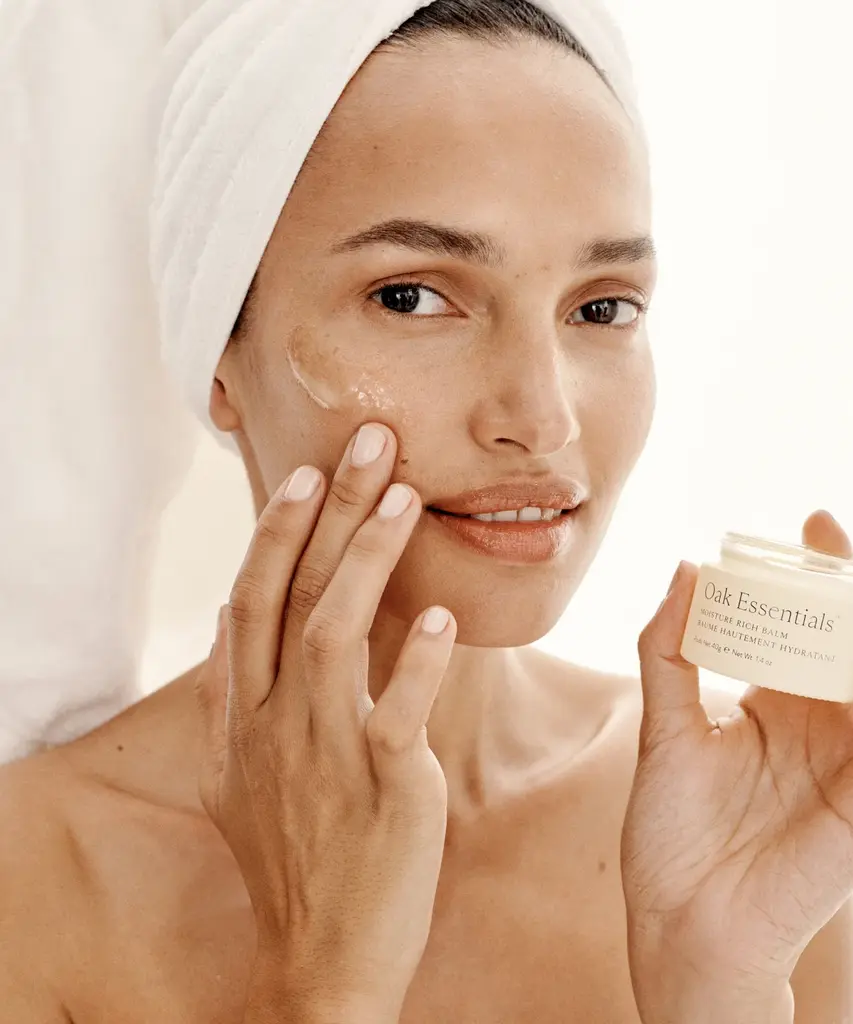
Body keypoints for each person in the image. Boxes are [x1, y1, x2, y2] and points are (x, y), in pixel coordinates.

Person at [1, 2, 852, 1022]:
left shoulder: (763, 824)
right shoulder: (34, 876)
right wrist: (320, 981)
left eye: (601, 307)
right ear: (220, 358)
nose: (541, 419)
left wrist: (715, 985)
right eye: (410, 296)